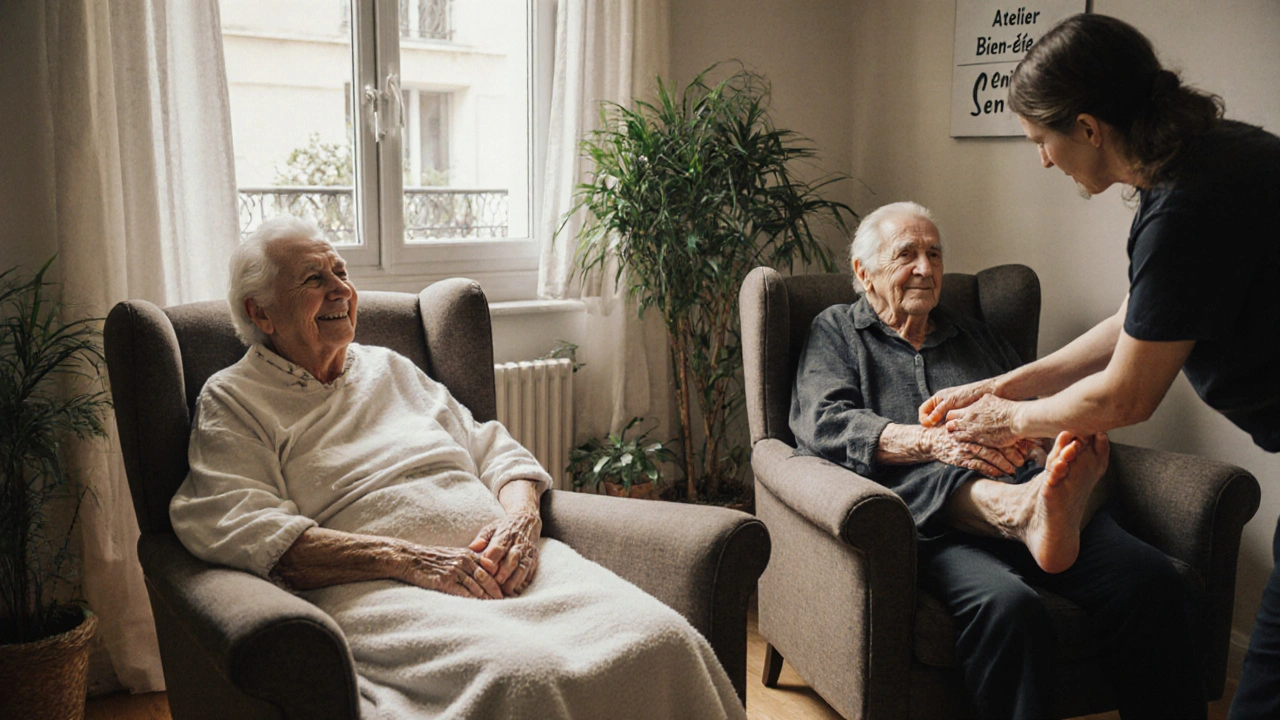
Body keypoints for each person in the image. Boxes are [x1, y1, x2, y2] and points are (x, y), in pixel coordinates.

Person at [169, 216, 744, 719]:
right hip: (379, 591)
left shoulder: (389, 368)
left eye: (341, 271)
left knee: (662, 640)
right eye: (314, 279)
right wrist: (407, 559)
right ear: (260, 312)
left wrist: (521, 523)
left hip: (508, 562)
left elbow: (494, 448)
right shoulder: (234, 399)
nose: (341, 289)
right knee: (525, 680)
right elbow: (242, 525)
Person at [917, 14, 1280, 720]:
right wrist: (1004, 384)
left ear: (1087, 127)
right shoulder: (1215, 155)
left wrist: (1007, 417)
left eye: (1042, 142)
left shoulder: (1186, 207)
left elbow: (1126, 395)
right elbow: (1137, 318)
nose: (1044, 162)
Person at [791, 201, 1204, 719]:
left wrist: (1044, 447)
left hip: (1039, 495)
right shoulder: (835, 331)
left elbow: (1026, 413)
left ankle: (1040, 507)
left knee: (1150, 579)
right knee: (1009, 607)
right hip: (934, 529)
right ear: (863, 272)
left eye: (935, 253)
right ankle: (1019, 510)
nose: (927, 268)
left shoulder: (977, 335)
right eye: (907, 255)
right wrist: (930, 441)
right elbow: (822, 422)